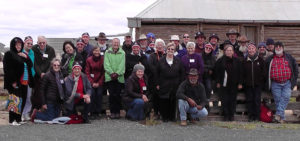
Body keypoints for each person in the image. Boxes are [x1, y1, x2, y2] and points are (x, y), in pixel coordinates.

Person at [265, 41, 298, 123]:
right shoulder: (270, 59)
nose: (278, 48)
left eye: (280, 46)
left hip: (287, 83)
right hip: (275, 83)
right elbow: (265, 71)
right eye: (277, 47)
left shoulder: (289, 57)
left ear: (283, 48)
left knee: (286, 97)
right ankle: (281, 119)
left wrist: (293, 82)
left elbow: (296, 69)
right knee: (278, 100)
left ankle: (278, 115)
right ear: (274, 48)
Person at [3, 37, 34, 125]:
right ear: (13, 45)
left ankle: (18, 119)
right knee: (14, 101)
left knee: (22, 101)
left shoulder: (22, 54)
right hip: (15, 82)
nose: (18, 46)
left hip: (24, 82)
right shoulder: (9, 54)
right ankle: (12, 120)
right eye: (16, 45)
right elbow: (8, 69)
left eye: (20, 45)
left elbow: (30, 65)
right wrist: (13, 81)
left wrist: (26, 57)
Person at [155, 43, 185, 122]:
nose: (170, 51)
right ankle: (165, 117)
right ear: (166, 50)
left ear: (174, 51)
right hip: (164, 84)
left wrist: (181, 84)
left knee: (173, 101)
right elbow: (156, 73)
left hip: (175, 84)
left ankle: (172, 117)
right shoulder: (161, 61)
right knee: (164, 100)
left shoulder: (178, 60)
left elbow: (182, 73)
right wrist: (157, 83)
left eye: (172, 49)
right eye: (169, 49)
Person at [215, 44, 243, 121]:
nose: (229, 52)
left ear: (233, 51)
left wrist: (240, 83)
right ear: (225, 52)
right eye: (227, 50)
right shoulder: (220, 61)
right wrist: (217, 82)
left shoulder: (237, 61)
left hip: (234, 84)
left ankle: (231, 115)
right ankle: (226, 115)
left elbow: (240, 73)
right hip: (223, 84)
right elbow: (217, 72)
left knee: (232, 100)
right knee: (224, 100)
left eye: (230, 50)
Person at [243, 44, 266, 121]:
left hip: (257, 85)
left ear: (255, 50)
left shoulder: (260, 60)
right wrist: (244, 81)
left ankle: (257, 117)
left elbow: (264, 72)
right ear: (247, 50)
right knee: (249, 100)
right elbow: (242, 73)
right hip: (248, 85)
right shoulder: (244, 60)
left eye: (252, 48)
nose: (251, 50)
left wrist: (260, 81)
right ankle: (250, 116)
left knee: (257, 100)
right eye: (249, 48)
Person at [32, 36, 56, 109]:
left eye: (43, 43)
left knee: (47, 92)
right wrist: (40, 73)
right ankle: (36, 109)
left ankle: (47, 108)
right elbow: (34, 63)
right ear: (37, 43)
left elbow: (52, 63)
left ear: (46, 42)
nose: (42, 44)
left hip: (48, 74)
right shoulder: (33, 49)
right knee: (37, 92)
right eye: (40, 43)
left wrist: (46, 73)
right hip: (37, 74)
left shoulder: (51, 50)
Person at [104, 38, 126, 119]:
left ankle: (118, 112)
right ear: (112, 43)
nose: (116, 44)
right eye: (114, 42)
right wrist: (112, 73)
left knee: (118, 95)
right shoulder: (107, 52)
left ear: (119, 44)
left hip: (119, 77)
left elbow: (122, 65)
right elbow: (106, 64)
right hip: (110, 77)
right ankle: (112, 112)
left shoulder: (122, 53)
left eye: (117, 43)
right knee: (112, 95)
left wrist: (117, 73)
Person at [85, 47, 105, 120]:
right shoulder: (89, 60)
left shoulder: (103, 59)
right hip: (91, 81)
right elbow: (87, 72)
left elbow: (104, 72)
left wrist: (99, 83)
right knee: (92, 94)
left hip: (100, 80)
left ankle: (98, 112)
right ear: (93, 51)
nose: (97, 52)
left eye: (98, 51)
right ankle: (92, 112)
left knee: (99, 94)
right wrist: (92, 83)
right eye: (95, 50)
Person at [148, 38, 166, 119]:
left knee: (162, 97)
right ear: (155, 46)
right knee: (155, 97)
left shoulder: (166, 55)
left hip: (164, 80)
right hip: (154, 79)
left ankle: (162, 112)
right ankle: (155, 112)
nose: (159, 46)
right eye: (158, 45)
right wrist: (158, 72)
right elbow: (151, 66)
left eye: (161, 45)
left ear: (163, 46)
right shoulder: (152, 56)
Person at [21, 36, 36, 121]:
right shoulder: (20, 52)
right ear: (24, 43)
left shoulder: (32, 53)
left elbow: (32, 64)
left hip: (30, 77)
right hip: (22, 77)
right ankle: (21, 113)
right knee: (22, 96)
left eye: (31, 43)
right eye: (28, 43)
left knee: (29, 96)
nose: (30, 45)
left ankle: (26, 113)